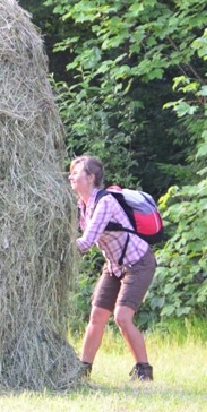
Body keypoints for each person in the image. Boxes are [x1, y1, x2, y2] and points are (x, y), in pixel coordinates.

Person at [69, 155, 157, 381]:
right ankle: (83, 370)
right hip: (114, 265)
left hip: (138, 262)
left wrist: (59, 246)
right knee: (97, 315)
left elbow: (86, 243)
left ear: (90, 177)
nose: (71, 177)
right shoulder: (82, 205)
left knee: (122, 317)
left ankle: (143, 370)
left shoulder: (105, 203)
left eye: (76, 173)